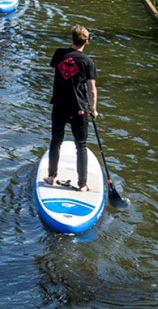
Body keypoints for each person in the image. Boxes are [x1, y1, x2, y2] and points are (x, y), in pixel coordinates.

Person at [46, 25, 99, 192]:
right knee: (81, 146)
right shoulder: (88, 62)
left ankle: (51, 177)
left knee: (56, 141)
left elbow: (57, 70)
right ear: (87, 42)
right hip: (79, 109)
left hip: (59, 106)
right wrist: (93, 108)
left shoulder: (59, 54)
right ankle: (82, 184)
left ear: (72, 39)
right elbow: (92, 89)